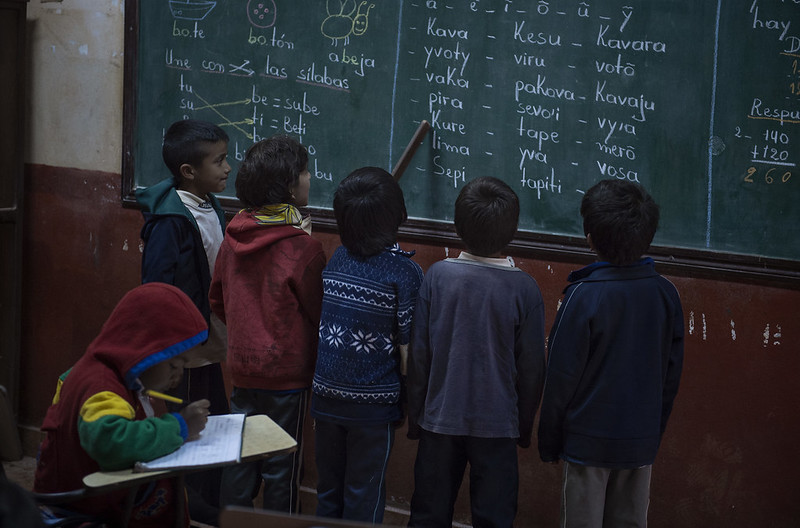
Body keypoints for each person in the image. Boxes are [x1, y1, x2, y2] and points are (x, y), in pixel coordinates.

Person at [537, 179, 684, 528]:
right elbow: (670, 376)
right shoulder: (666, 294)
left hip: (587, 446)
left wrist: (550, 441)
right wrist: (652, 434)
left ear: (590, 238)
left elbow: (560, 378)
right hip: (639, 442)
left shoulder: (582, 296)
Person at [407, 176, 546, 528]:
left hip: (440, 421)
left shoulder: (437, 277)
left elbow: (420, 356)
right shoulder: (525, 289)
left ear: (456, 227)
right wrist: (523, 427)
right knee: (494, 518)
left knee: (428, 515)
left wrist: (415, 418)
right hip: (498, 426)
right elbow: (532, 369)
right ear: (513, 231)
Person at [209, 135, 326, 513]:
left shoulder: (233, 236)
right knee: (282, 464)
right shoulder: (303, 248)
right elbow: (317, 310)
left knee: (241, 456)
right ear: (290, 187)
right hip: (286, 375)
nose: (310, 178)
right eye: (305, 172)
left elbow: (218, 298)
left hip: (243, 367)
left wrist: (249, 331)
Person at [33, 283, 211, 528]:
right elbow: (111, 442)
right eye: (173, 365)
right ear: (145, 351)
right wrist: (179, 426)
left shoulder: (110, 371)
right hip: (79, 505)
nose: (177, 377)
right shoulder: (102, 385)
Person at [311, 167, 423, 524]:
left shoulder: (337, 258)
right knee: (364, 494)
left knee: (329, 491)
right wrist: (409, 403)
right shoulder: (404, 273)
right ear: (398, 217)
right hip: (372, 409)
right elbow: (408, 352)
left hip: (325, 398)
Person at [136, 119, 231, 522]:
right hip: (186, 345)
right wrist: (175, 346)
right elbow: (157, 288)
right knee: (192, 424)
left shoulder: (211, 203)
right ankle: (189, 504)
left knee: (216, 422)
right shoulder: (170, 220)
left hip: (209, 337)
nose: (228, 168)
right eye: (220, 161)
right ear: (189, 171)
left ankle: (206, 503)